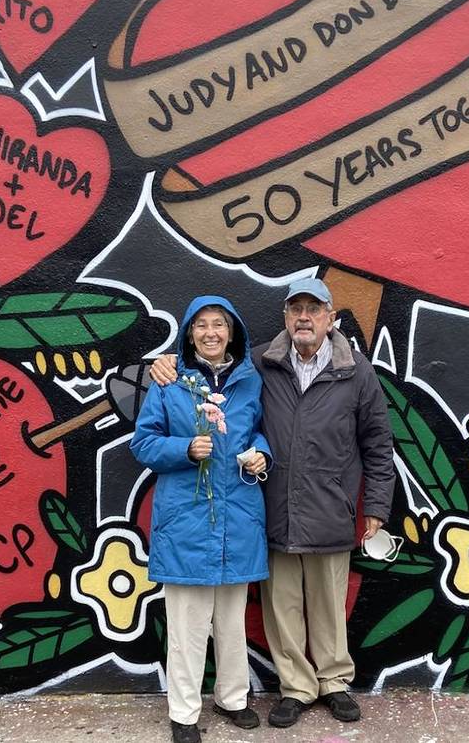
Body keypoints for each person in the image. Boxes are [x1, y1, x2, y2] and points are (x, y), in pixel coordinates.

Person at [151, 278, 395, 728]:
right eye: (296, 309)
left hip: (328, 506)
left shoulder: (356, 369)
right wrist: (163, 364)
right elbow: (199, 372)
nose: (305, 317)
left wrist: (376, 507)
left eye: (314, 309)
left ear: (330, 318)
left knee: (328, 603)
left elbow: (378, 443)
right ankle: (297, 688)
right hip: (274, 506)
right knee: (281, 608)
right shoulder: (261, 363)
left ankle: (334, 682)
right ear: (285, 316)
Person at [130, 296, 271, 743]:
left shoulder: (250, 382)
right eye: (202, 325)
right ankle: (184, 712)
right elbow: (143, 442)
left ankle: (233, 698)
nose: (211, 332)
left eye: (220, 325)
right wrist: (184, 449)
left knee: (232, 622)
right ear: (190, 334)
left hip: (238, 517)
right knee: (187, 628)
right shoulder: (169, 383)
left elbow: (261, 432)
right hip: (186, 521)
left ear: (233, 333)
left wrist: (260, 456)